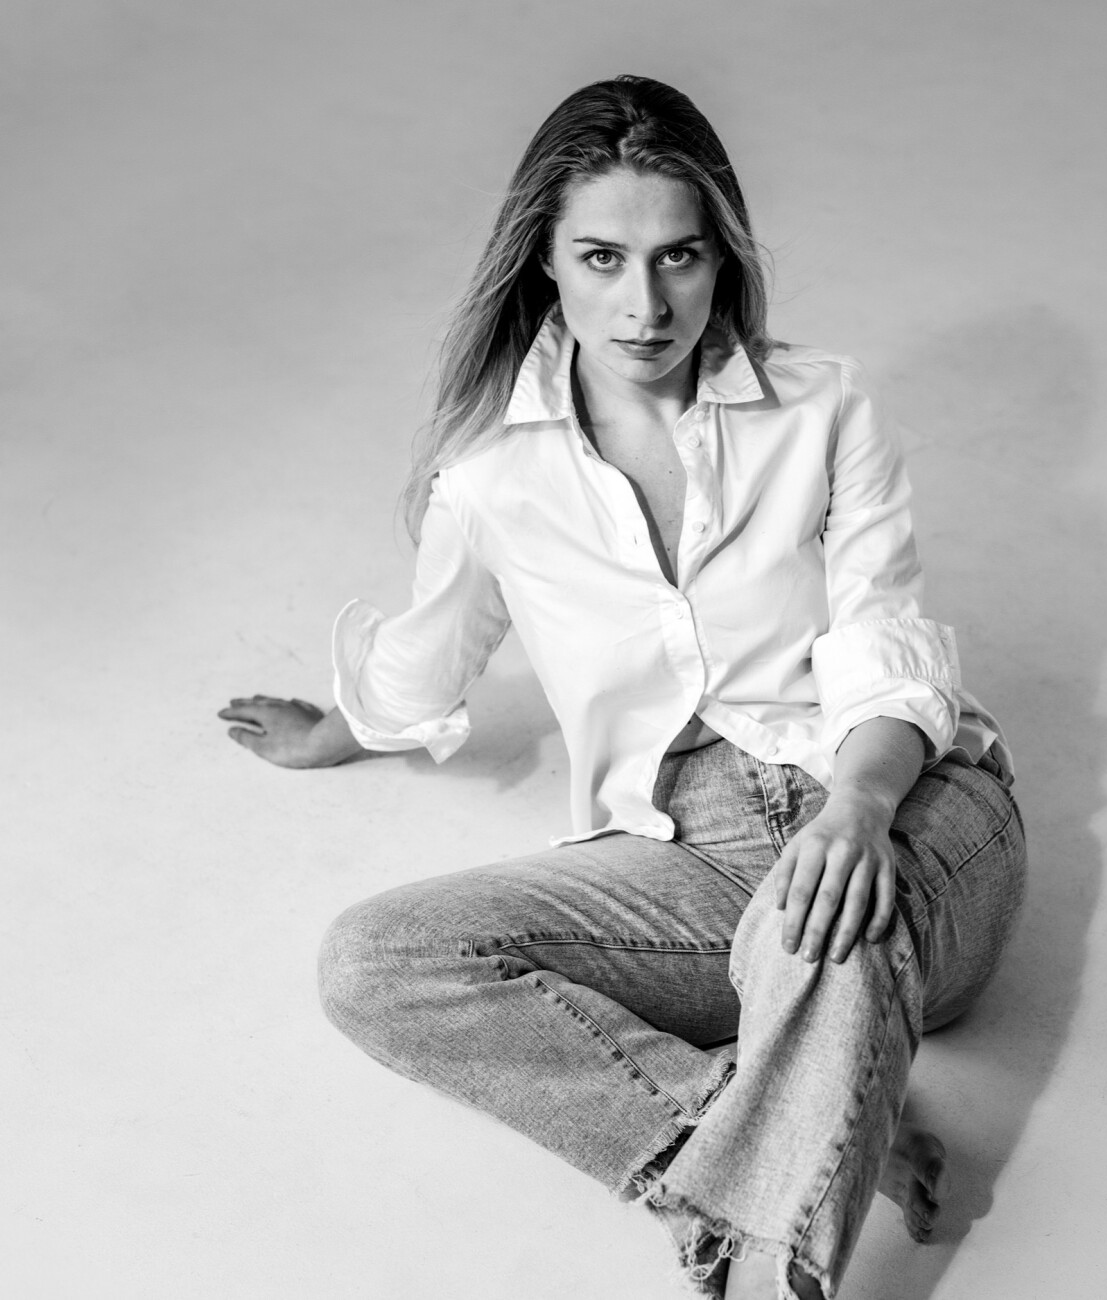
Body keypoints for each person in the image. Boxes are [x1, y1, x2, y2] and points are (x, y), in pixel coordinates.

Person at [218, 75, 1026, 1300]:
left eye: (678, 256)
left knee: (823, 928)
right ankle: (796, 1119)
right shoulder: (492, 475)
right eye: (602, 258)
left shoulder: (822, 407)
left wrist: (857, 811)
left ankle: (769, 1249)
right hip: (686, 855)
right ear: (544, 261)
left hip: (906, 809)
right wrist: (338, 727)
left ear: (721, 258)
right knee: (373, 960)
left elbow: (881, 631)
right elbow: (433, 649)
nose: (645, 305)